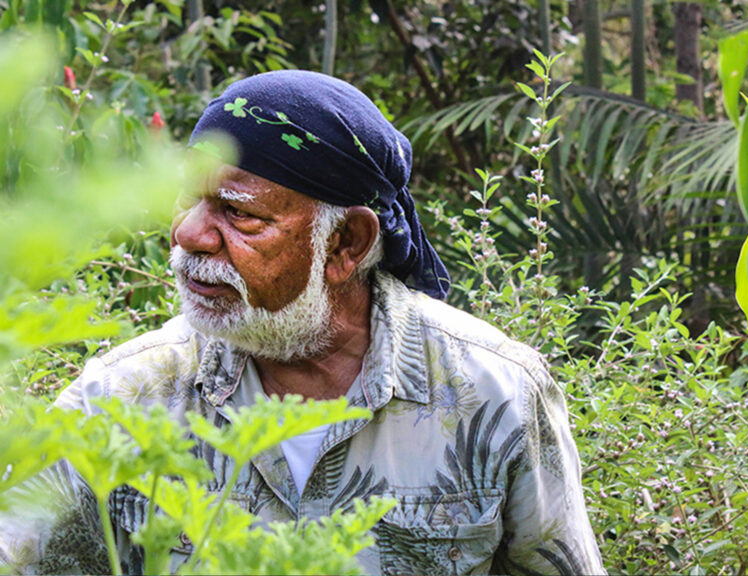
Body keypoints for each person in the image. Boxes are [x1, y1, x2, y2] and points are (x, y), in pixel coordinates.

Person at [0, 70, 604, 575]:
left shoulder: (493, 393)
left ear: (344, 244)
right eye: (189, 199)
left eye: (238, 213)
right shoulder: (120, 400)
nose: (188, 234)